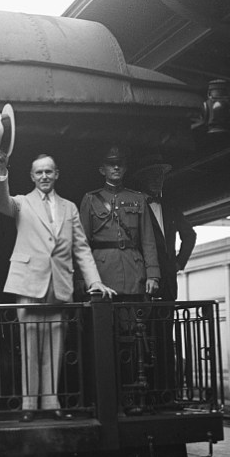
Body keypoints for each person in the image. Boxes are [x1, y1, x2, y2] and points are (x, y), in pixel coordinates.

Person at [0, 150, 116, 421]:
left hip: (58, 285)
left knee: (55, 347)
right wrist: (2, 171)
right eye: (39, 172)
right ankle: (29, 405)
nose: (44, 176)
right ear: (32, 176)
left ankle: (50, 402)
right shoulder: (22, 203)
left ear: (57, 174)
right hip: (29, 284)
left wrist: (95, 281)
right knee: (29, 347)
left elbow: (81, 248)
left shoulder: (69, 207)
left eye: (49, 171)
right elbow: (0, 202)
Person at [79, 146, 162, 414]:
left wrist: (153, 274)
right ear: (102, 169)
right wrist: (87, 280)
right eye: (110, 164)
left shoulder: (137, 200)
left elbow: (147, 240)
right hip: (103, 276)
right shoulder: (91, 200)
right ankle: (105, 400)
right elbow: (82, 244)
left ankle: (132, 398)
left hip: (133, 276)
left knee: (133, 340)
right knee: (105, 341)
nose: (116, 168)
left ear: (125, 169)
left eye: (120, 164)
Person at [132, 155, 196, 302]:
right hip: (142, 281)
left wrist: (179, 262)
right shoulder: (133, 207)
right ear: (142, 178)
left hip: (168, 282)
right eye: (152, 176)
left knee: (166, 324)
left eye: (160, 176)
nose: (157, 180)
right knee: (144, 324)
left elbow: (189, 235)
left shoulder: (170, 207)